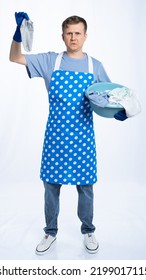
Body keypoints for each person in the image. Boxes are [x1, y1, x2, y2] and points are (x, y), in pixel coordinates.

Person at [9, 12, 111, 255]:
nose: (73, 37)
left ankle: (88, 230)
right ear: (62, 36)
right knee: (51, 188)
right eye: (69, 33)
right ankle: (50, 232)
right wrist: (17, 34)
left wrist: (117, 112)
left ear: (85, 36)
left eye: (78, 33)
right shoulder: (49, 61)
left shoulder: (94, 66)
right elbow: (14, 57)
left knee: (85, 188)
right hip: (55, 140)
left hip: (83, 141)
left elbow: (108, 99)